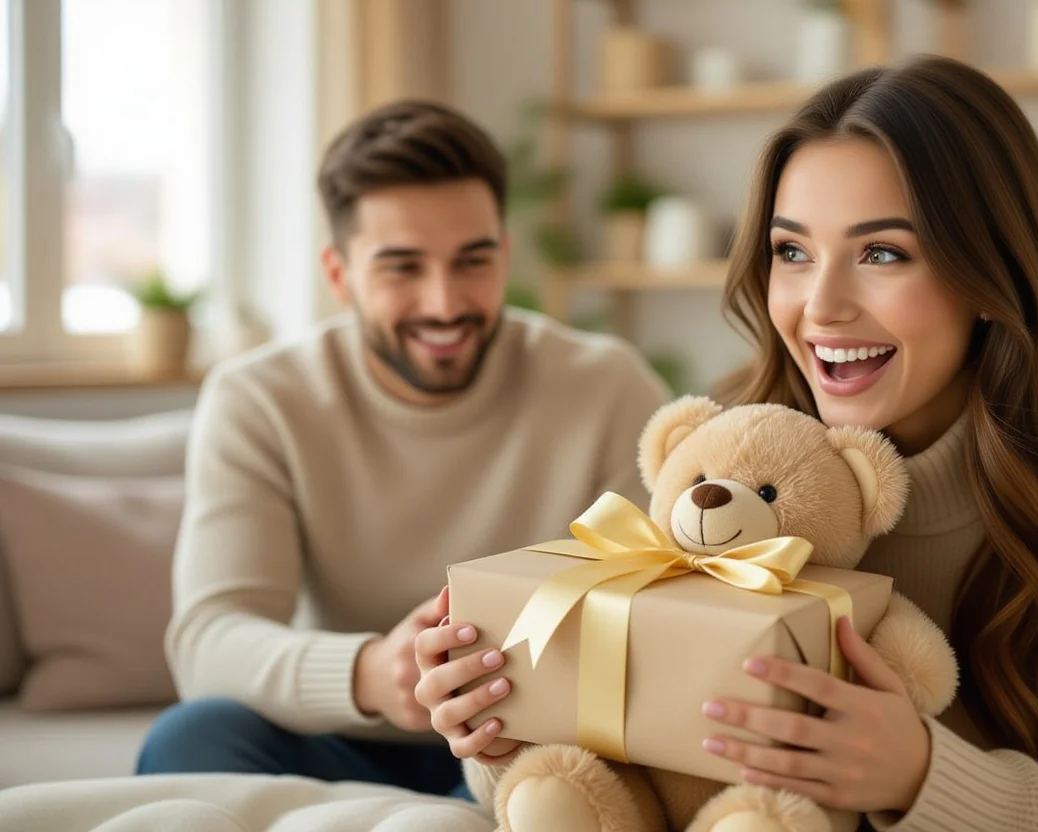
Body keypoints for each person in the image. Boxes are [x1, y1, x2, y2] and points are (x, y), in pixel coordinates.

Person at [414, 56, 1038, 830]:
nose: (821, 307)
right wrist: (502, 734)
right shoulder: (730, 463)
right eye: (792, 252)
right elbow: (635, 771)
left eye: (882, 252)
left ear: (994, 276)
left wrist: (924, 779)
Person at [134, 99, 671, 799]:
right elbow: (208, 640)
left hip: (530, 746)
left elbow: (659, 615)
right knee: (188, 739)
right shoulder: (259, 398)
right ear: (340, 274)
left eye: (472, 261)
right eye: (402, 267)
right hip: (338, 733)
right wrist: (375, 675)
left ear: (505, 254)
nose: (444, 302)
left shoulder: (606, 386)